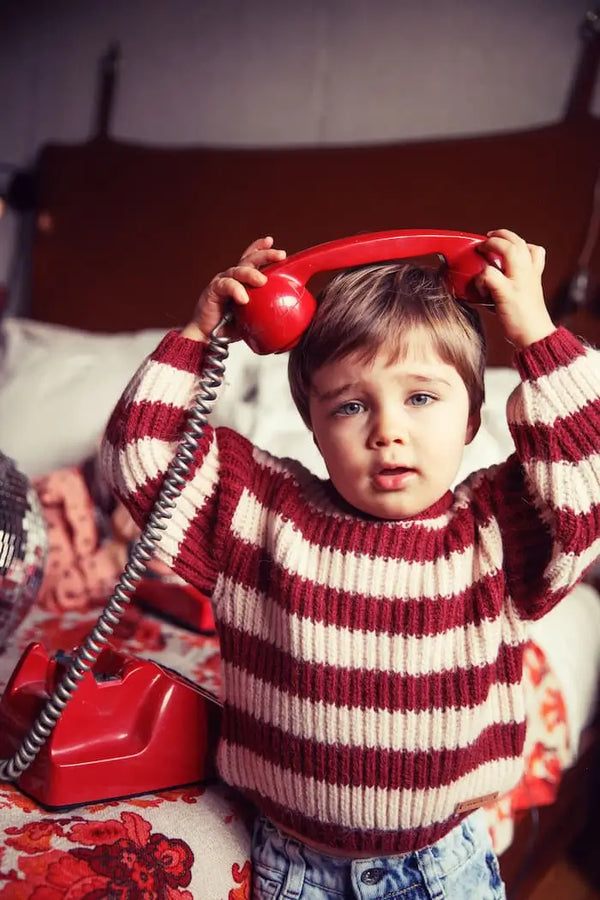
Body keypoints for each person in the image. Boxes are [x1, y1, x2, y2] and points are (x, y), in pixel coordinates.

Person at [101, 229, 600, 899]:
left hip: (440, 867)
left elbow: (588, 486)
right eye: (351, 404)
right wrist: (199, 334)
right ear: (312, 423)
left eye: (421, 397)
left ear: (474, 418)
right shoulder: (259, 510)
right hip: (292, 867)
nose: (386, 430)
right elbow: (139, 456)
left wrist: (536, 333)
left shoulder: (497, 529)